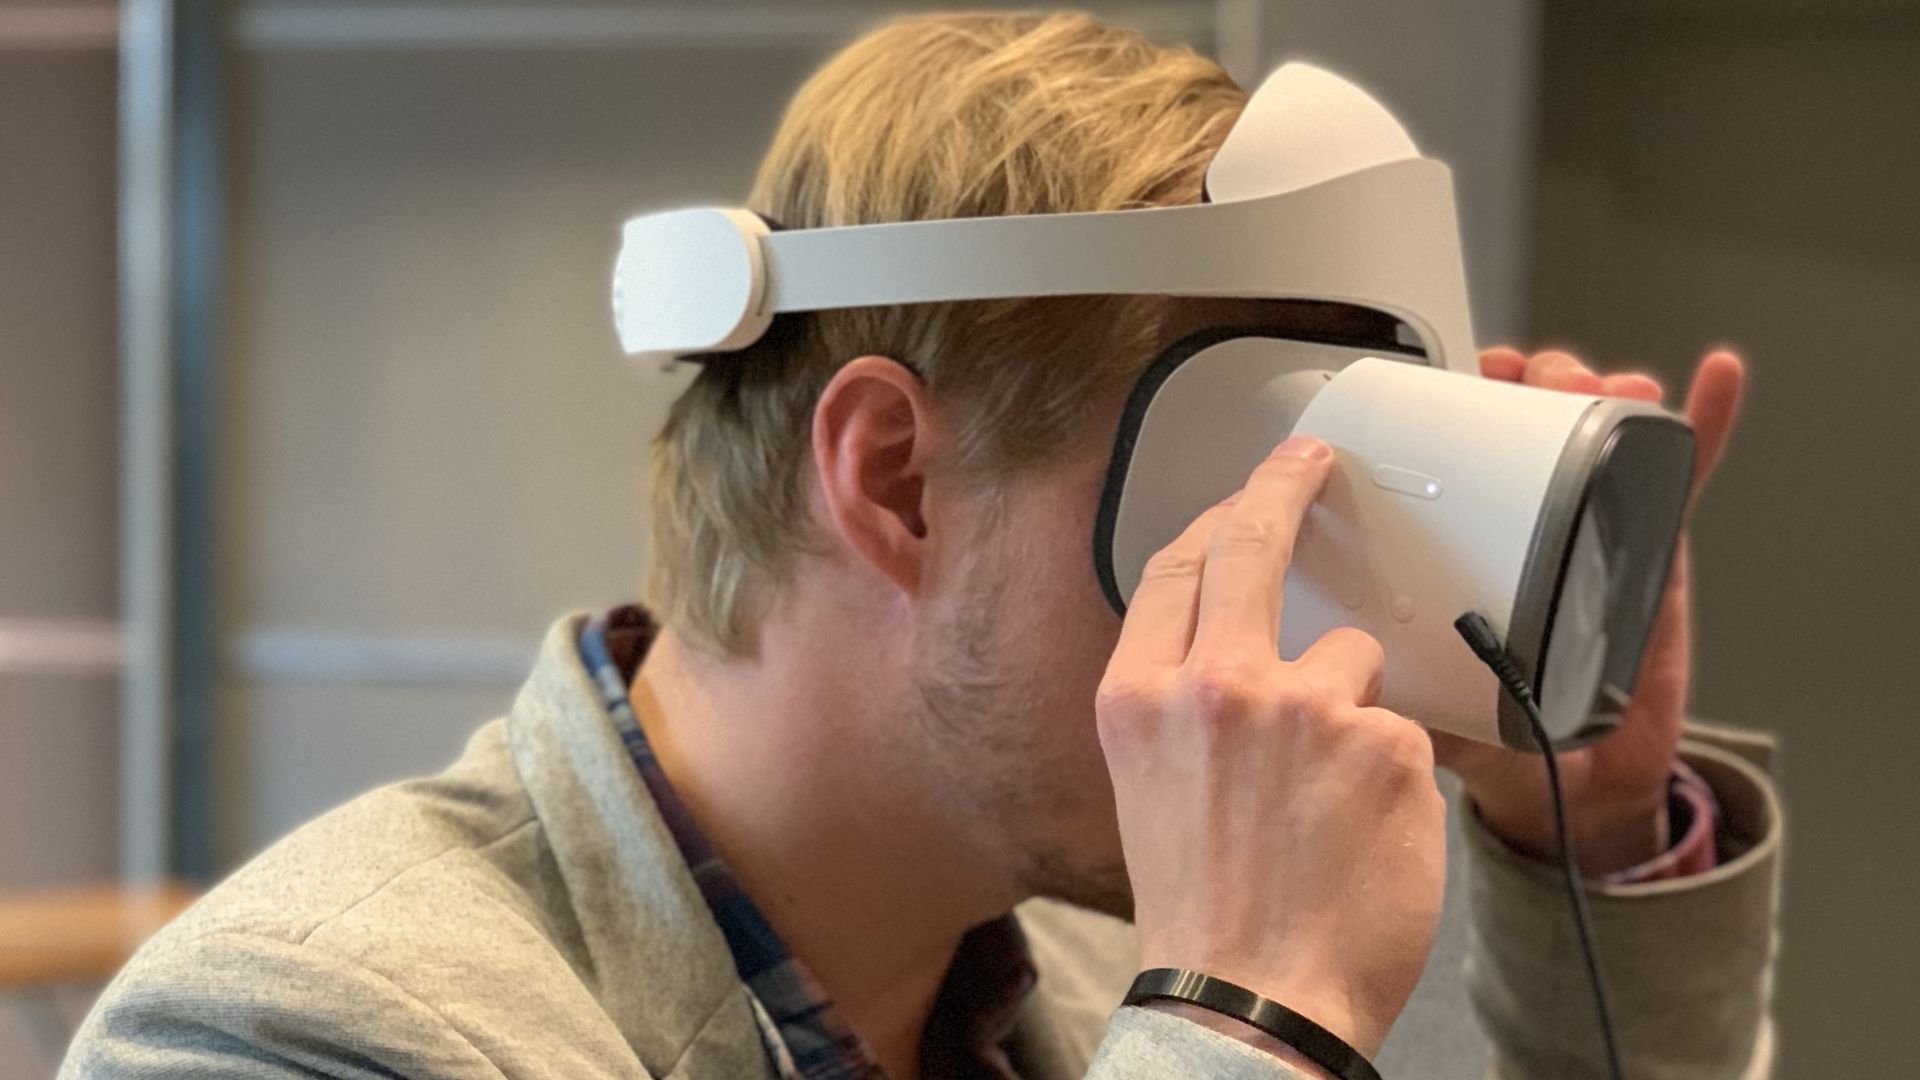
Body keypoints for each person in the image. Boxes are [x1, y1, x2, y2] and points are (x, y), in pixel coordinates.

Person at [62, 12, 1781, 1080]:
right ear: (893, 479)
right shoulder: (305, 1028)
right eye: (1243, 515)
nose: (1292, 645)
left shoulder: (1099, 963)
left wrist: (1590, 837)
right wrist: (1240, 1028)